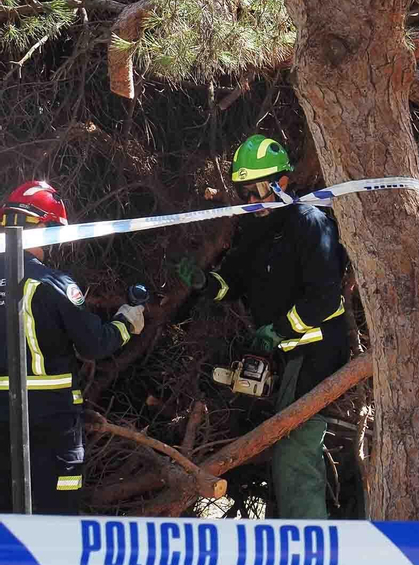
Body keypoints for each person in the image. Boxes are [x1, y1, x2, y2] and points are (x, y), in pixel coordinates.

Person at [173, 135, 349, 521]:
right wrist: (206, 283)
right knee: (279, 445)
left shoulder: (309, 222)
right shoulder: (256, 229)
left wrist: (280, 329)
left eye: (257, 190)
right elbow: (233, 281)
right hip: (287, 353)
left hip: (317, 350)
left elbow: (325, 299)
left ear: (281, 183)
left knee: (295, 452)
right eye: (244, 192)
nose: (251, 199)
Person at [0, 181, 145, 512]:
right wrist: (127, 322)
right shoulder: (53, 284)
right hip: (51, 423)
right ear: (46, 228)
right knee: (53, 518)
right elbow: (94, 344)